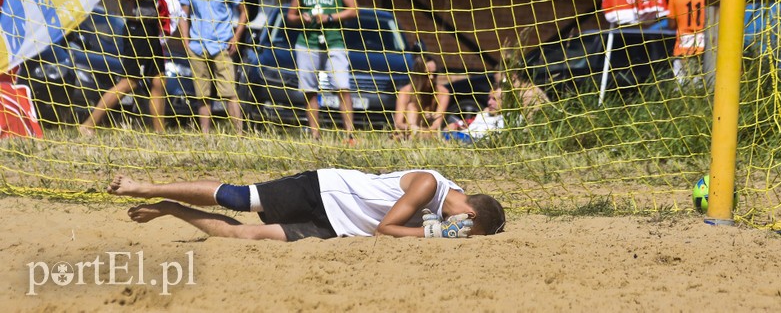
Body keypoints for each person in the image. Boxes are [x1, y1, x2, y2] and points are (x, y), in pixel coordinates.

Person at [106, 168, 506, 241]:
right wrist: (432, 233)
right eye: (468, 231)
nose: (462, 236)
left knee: (248, 235)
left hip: (334, 228)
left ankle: (170, 208)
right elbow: (386, 229)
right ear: (468, 213)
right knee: (239, 198)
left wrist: (435, 230)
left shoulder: (447, 203)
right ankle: (145, 187)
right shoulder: (430, 185)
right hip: (323, 190)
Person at [80, 0, 170, 135]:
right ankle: (88, 125)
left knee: (159, 82)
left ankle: (160, 134)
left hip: (149, 28)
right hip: (138, 29)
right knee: (129, 82)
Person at [285, 0, 357, 139]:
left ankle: (349, 135)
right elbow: (290, 16)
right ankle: (315, 134)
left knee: (342, 87)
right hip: (307, 43)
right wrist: (302, 18)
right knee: (309, 90)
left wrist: (330, 17)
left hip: (334, 41)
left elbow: (353, 10)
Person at [178, 0, 248, 134]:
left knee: (229, 92)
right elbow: (183, 14)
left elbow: (244, 13)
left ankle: (239, 135)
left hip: (221, 45)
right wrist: (186, 41)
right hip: (198, 46)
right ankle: (205, 135)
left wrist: (236, 37)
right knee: (202, 93)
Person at [393, 55, 450, 139]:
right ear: (418, 75)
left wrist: (430, 119)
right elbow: (398, 123)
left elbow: (436, 125)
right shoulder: (405, 92)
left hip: (428, 133)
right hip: (408, 131)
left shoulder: (443, 93)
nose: (431, 78)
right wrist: (411, 128)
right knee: (412, 107)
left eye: (435, 74)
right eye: (427, 75)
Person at [667, 0, 705, 86]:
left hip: (682, 49)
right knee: (702, 87)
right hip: (706, 49)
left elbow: (671, 23)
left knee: (682, 87)